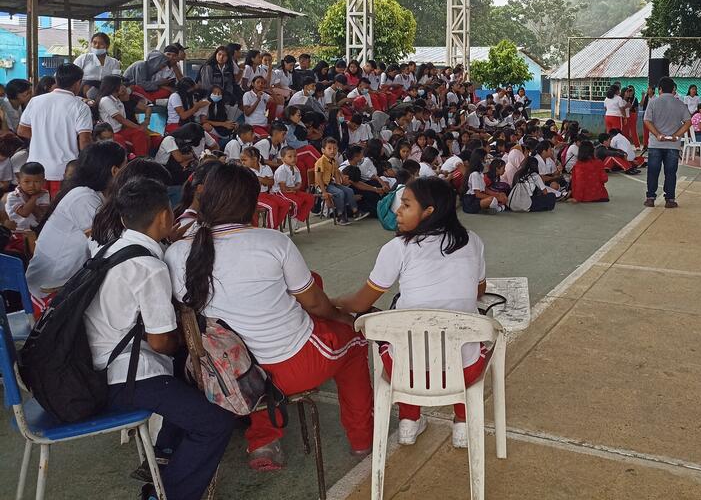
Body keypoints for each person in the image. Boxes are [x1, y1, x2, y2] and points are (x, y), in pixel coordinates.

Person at [167, 164, 374, 467]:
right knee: (355, 343)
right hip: (290, 366)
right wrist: (343, 318)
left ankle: (265, 442)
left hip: (223, 372)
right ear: (252, 203)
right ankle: (362, 440)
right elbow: (316, 305)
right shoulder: (272, 242)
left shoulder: (176, 252)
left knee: (249, 349)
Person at [86, 177, 234, 500]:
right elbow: (160, 343)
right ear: (166, 217)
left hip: (97, 368)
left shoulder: (111, 249)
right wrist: (185, 342)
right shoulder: (149, 266)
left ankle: (166, 449)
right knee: (216, 423)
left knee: (185, 371)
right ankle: (167, 494)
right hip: (127, 380)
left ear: (124, 218)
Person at [332, 177, 487, 449]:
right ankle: (462, 422)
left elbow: (359, 304)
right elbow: (479, 290)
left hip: (404, 371)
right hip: (464, 369)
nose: (396, 211)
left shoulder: (398, 248)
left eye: (405, 205)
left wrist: (333, 302)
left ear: (428, 211)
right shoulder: (472, 241)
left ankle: (409, 419)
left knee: (397, 331)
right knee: (471, 338)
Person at [26, 140, 126, 315]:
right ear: (115, 171)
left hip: (62, 280)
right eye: (126, 167)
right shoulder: (83, 198)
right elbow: (107, 244)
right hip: (50, 291)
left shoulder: (90, 194)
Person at [17, 62, 94, 197]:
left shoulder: (36, 101)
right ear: (78, 83)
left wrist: (43, 137)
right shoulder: (80, 107)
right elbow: (85, 141)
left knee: (36, 211)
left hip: (36, 170)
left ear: (56, 80)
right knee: (58, 210)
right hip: (64, 171)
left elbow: (22, 130)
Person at [641, 77, 691, 208]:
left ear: (660, 89)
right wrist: (676, 135)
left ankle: (650, 197)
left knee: (653, 171)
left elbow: (647, 120)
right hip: (672, 144)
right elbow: (688, 122)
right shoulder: (680, 104)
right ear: (673, 89)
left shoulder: (653, 102)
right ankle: (670, 199)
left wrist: (657, 134)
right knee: (670, 172)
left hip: (656, 143)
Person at [98, 75, 158, 157]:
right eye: (120, 85)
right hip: (112, 132)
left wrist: (143, 125)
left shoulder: (117, 100)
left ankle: (143, 158)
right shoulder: (106, 100)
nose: (123, 87)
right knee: (139, 132)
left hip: (121, 130)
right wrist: (139, 127)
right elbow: (121, 119)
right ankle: (140, 159)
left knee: (143, 134)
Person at [314, 138, 366, 224]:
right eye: (329, 148)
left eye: (335, 148)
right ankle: (340, 215)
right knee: (339, 193)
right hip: (322, 186)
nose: (332, 151)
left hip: (330, 184)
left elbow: (336, 172)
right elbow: (319, 178)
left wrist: (339, 184)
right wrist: (324, 192)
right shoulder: (321, 162)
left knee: (349, 190)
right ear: (323, 150)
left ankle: (355, 212)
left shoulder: (333, 161)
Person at [273, 146, 315, 228]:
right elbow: (283, 188)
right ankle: (292, 218)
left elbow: (299, 184)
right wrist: (293, 190)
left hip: (292, 190)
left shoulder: (295, 168)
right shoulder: (281, 170)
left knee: (310, 198)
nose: (293, 159)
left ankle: (297, 218)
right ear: (283, 159)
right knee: (297, 201)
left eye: (295, 156)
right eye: (290, 156)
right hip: (280, 192)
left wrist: (294, 189)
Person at [5, 161, 49, 232]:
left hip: (35, 231)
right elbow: (24, 213)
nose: (31, 185)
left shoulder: (44, 194)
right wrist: (34, 197)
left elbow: (41, 216)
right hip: (16, 231)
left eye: (36, 182)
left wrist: (32, 199)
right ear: (19, 181)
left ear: (44, 182)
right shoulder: (13, 196)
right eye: (27, 182)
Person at [461, 149, 506, 214]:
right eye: (485, 160)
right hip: (471, 201)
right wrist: (496, 197)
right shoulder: (475, 174)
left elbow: (485, 189)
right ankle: (494, 207)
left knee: (500, 195)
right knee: (492, 199)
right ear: (480, 160)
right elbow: (477, 194)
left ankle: (493, 206)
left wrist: (497, 194)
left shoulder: (480, 173)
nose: (486, 162)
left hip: (476, 198)